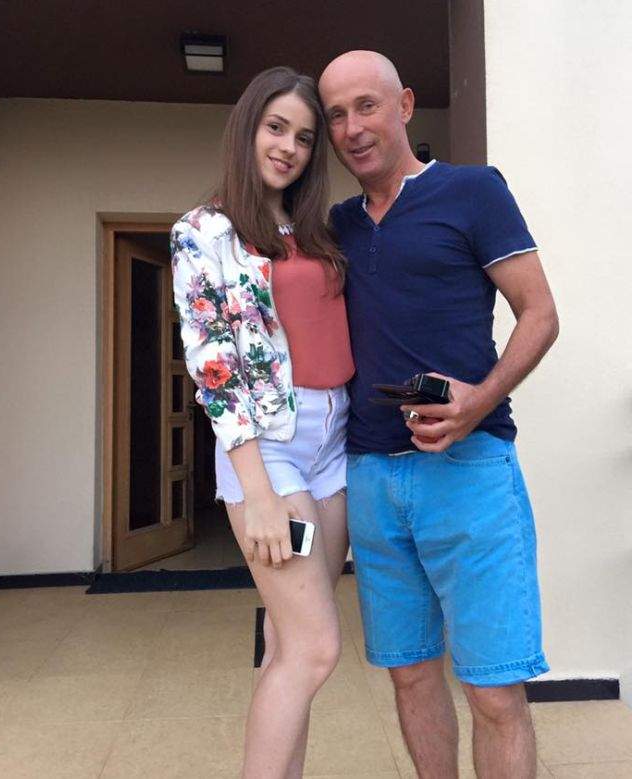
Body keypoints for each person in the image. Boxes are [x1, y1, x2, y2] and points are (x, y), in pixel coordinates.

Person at [319, 50, 559, 779]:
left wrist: (477, 400)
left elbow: (540, 313)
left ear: (404, 105)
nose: (352, 127)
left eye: (367, 105)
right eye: (336, 115)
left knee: (493, 690)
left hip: (470, 471)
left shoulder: (473, 191)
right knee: (410, 676)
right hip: (371, 477)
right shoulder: (338, 225)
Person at [171, 67, 354, 779]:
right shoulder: (204, 232)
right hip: (268, 449)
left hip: (333, 442)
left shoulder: (313, 231)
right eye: (276, 128)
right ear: (248, 128)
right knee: (315, 648)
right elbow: (213, 366)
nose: (289, 148)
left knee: (287, 643)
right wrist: (259, 496)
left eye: (304, 138)